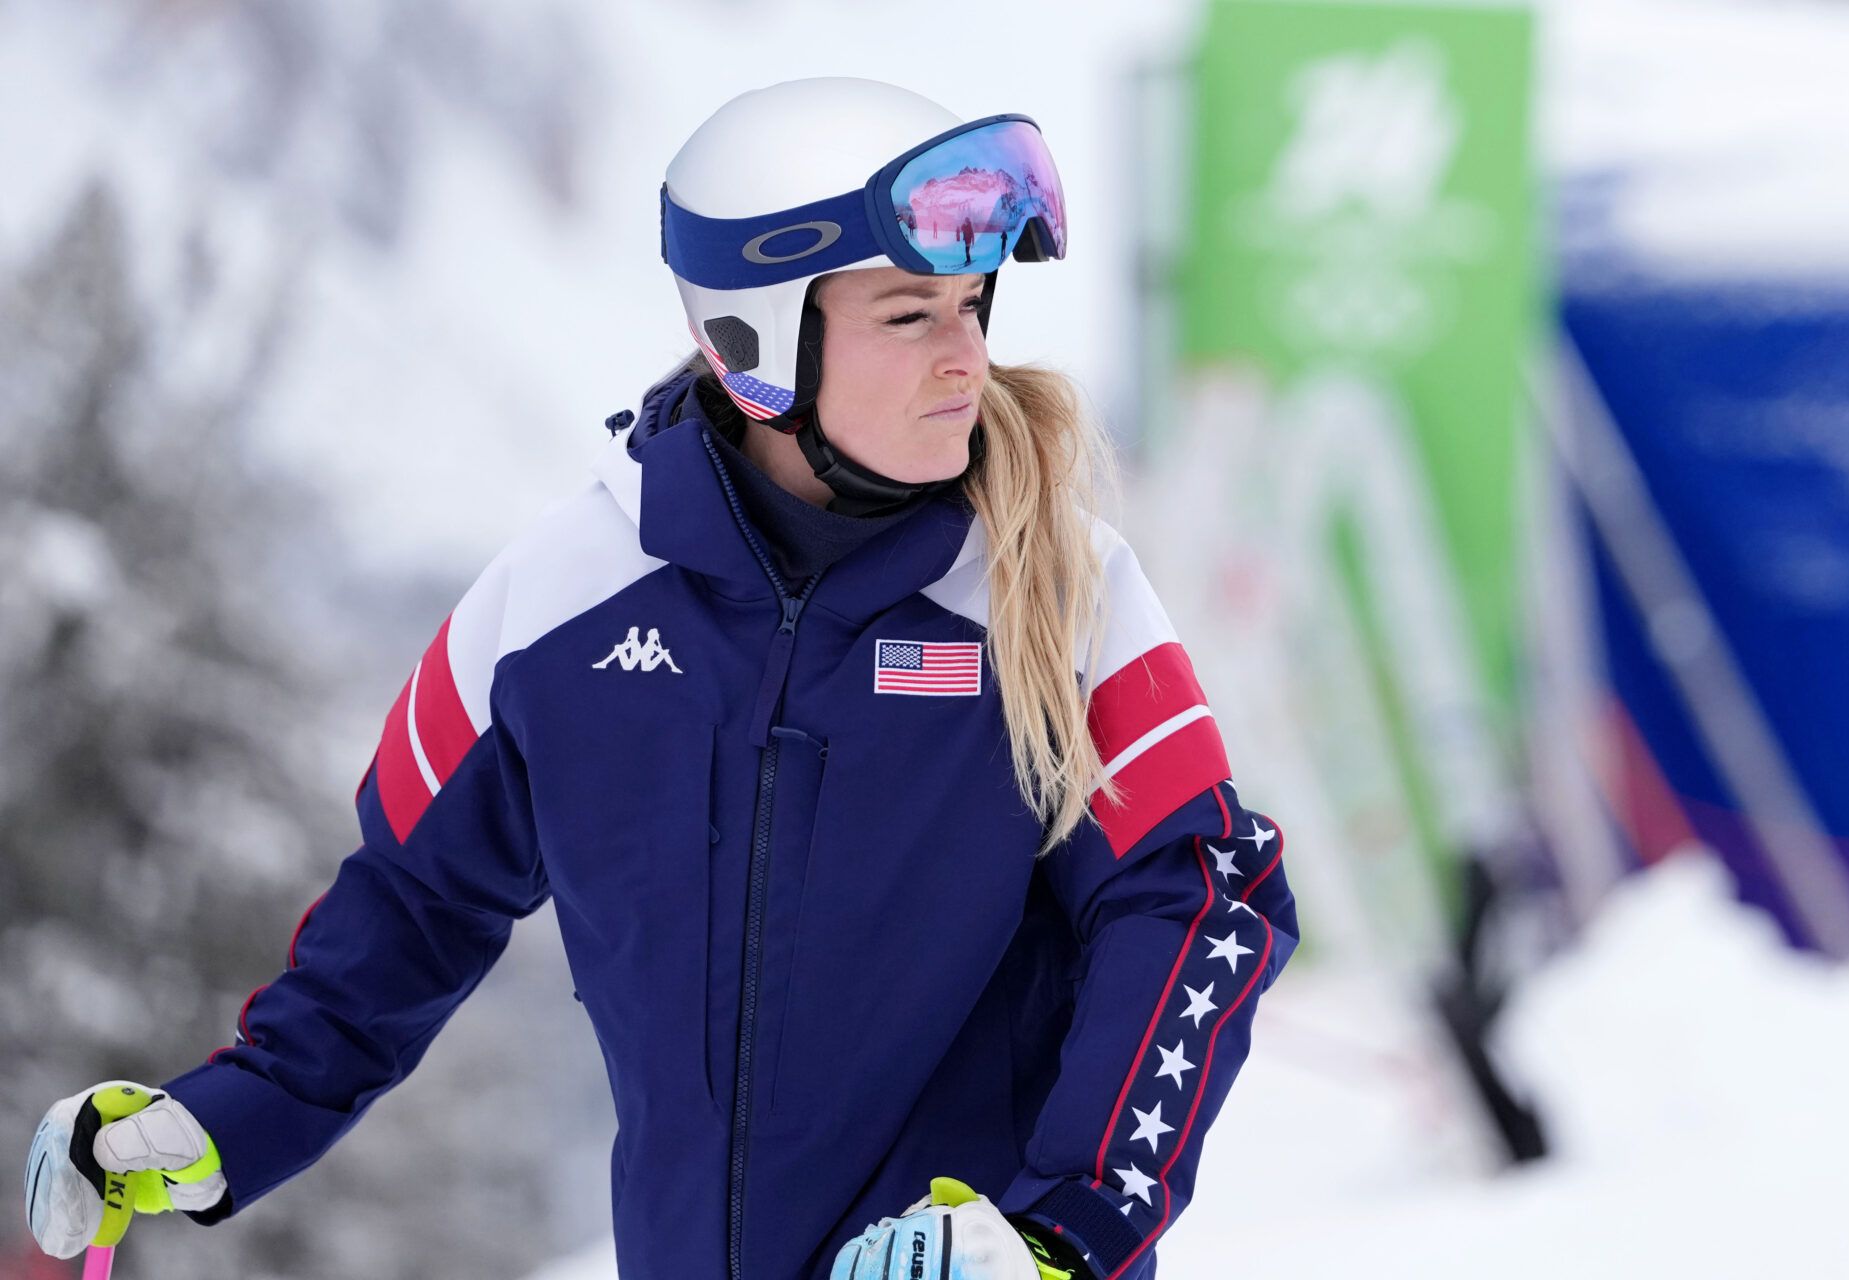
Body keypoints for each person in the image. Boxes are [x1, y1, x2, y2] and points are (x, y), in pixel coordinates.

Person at [24, 77, 1298, 1280]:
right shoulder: (564, 598)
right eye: (910, 314)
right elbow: (414, 900)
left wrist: (1062, 1229)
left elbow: (1198, 900)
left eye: (972, 306)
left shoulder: (1054, 589)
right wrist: (230, 1113)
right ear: (755, 342)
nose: (966, 356)